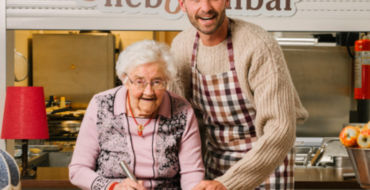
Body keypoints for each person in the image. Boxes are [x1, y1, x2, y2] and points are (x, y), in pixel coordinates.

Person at [169, 0, 309, 189]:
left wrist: (228, 183)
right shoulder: (181, 46)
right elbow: (178, 122)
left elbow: (281, 128)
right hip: (214, 163)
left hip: (266, 165)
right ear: (182, 4)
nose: (206, 7)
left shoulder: (257, 45)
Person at [69, 40, 205, 190]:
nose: (149, 91)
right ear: (125, 80)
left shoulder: (182, 109)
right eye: (140, 81)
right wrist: (113, 187)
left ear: (167, 80)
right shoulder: (101, 105)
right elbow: (78, 170)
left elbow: (192, 172)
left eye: (157, 82)